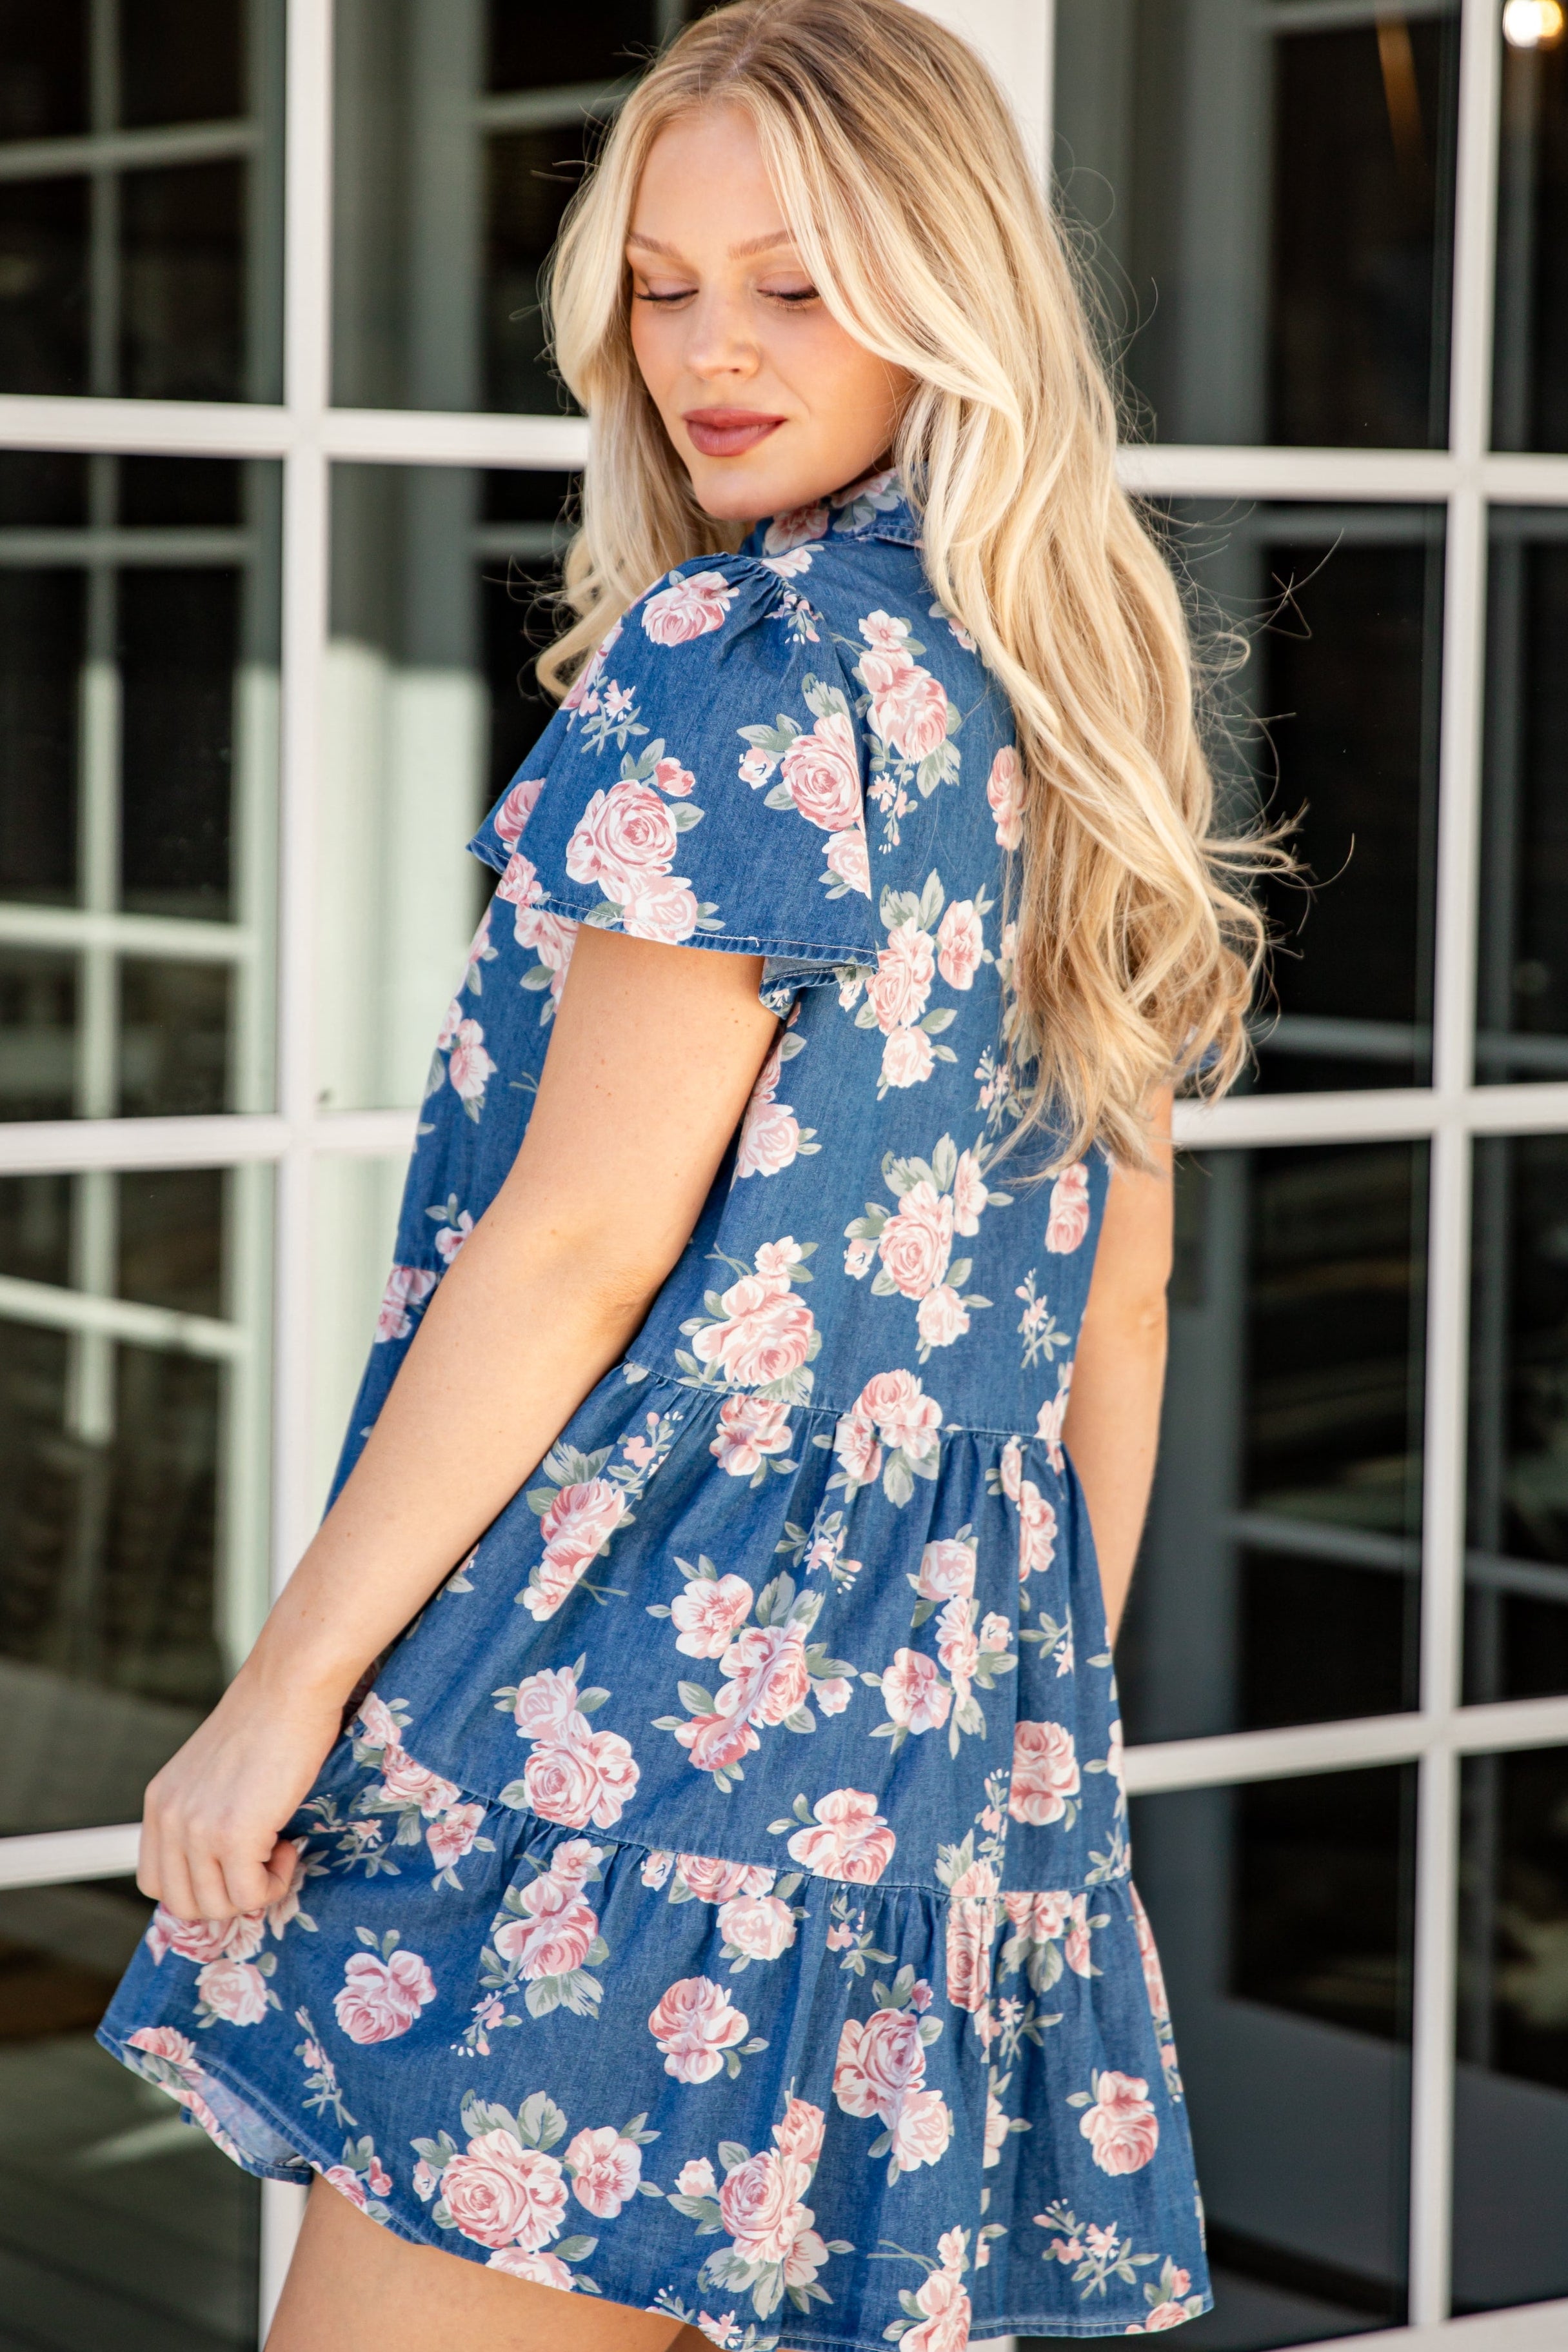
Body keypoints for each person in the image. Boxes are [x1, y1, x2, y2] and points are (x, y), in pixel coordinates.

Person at [99, 3, 1266, 2344]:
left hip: (614, 1700)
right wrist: (1020, 1745)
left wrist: (283, 1689)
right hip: (929, 1742)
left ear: (949, 287)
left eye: (796, 283)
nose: (711, 351)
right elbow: (1113, 1312)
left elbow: (575, 1245)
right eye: (661, 286)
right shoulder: (1076, 686)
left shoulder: (743, 665)